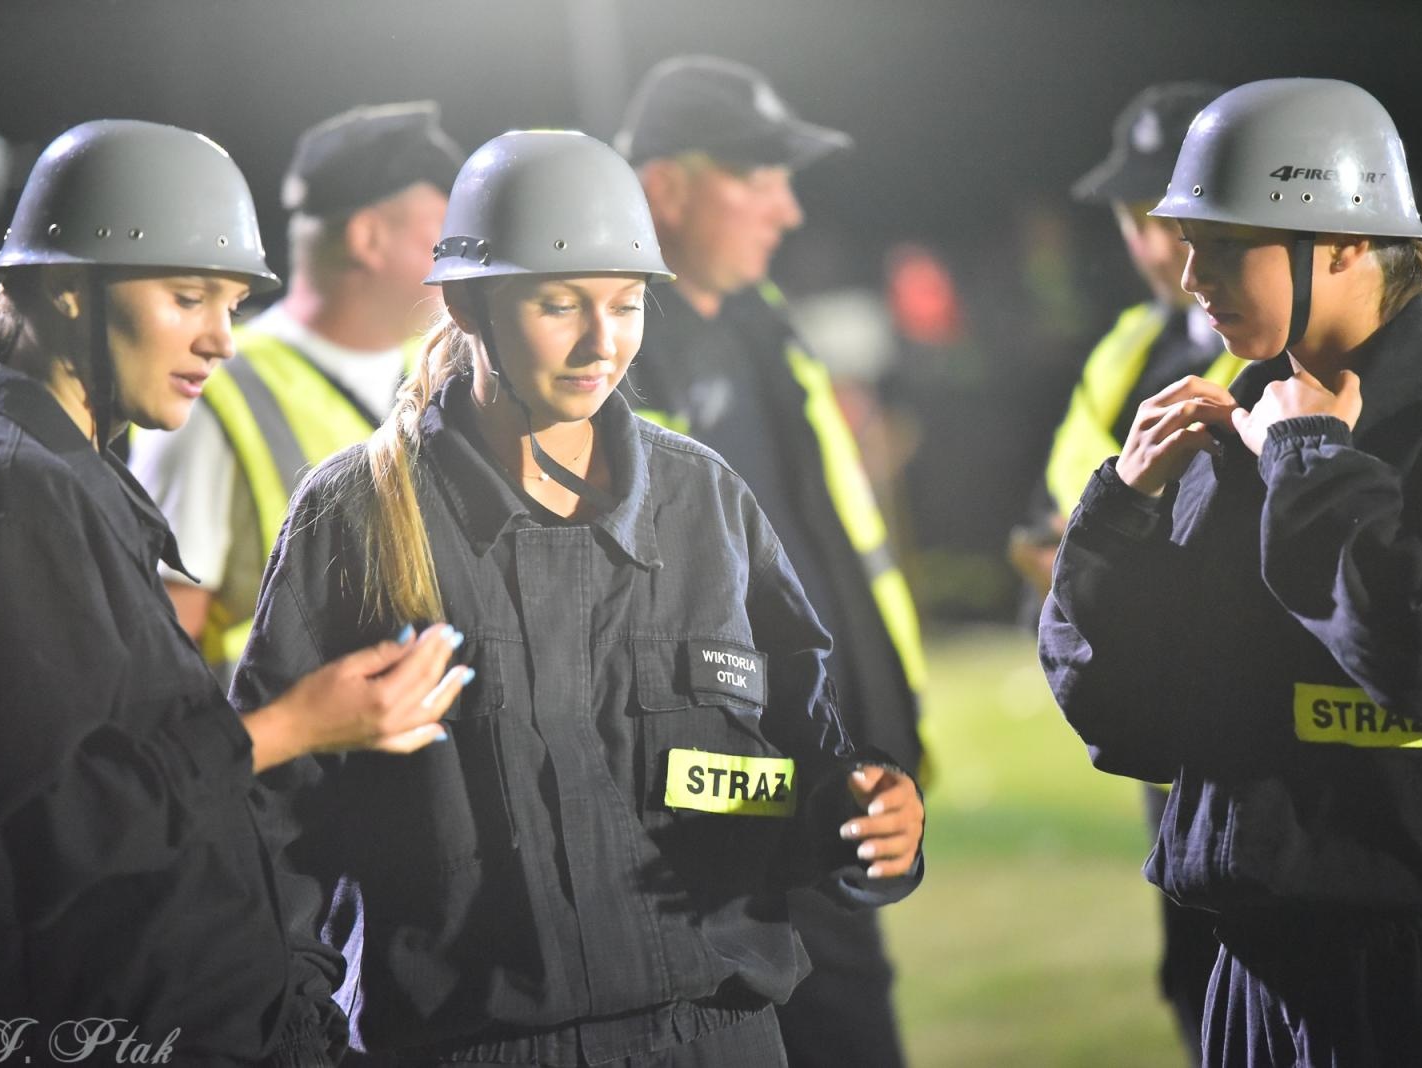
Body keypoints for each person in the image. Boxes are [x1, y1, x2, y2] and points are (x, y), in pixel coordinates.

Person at [231, 129, 925, 1066]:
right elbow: (272, 836)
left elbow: (801, 775)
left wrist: (871, 820)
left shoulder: (704, 503)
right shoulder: (352, 518)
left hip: (717, 1040)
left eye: (627, 305)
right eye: (560, 304)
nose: (604, 345)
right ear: (468, 302)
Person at [0, 119, 467, 1067]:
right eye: (186, 295)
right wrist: (297, 723)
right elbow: (51, 828)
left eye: (233, 303)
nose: (222, 339)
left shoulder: (54, 471)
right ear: (67, 288)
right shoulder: (16, 490)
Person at [1040, 78, 1422, 1066]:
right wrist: (1118, 514)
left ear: (1342, 243)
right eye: (1187, 239)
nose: (1189, 272)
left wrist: (1310, 463)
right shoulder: (1230, 432)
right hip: (1248, 979)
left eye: (1224, 242)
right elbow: (1122, 719)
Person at [612, 55, 926, 1068]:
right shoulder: (602, 356)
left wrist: (877, 744)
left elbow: (823, 555)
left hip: (819, 789)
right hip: (691, 837)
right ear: (664, 186)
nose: (786, 211)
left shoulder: (759, 326)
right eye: (759, 176)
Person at [1010, 81, 1238, 1062]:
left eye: (1169, 216)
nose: (1155, 247)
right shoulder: (1129, 348)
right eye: (1131, 218)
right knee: (1192, 958)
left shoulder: (1277, 354)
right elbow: (1060, 493)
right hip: (1158, 712)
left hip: (1250, 714)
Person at [130, 101, 461, 681]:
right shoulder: (209, 388)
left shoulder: (440, 371)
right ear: (367, 239)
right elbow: (165, 637)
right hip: (280, 764)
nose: (455, 267)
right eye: (439, 242)